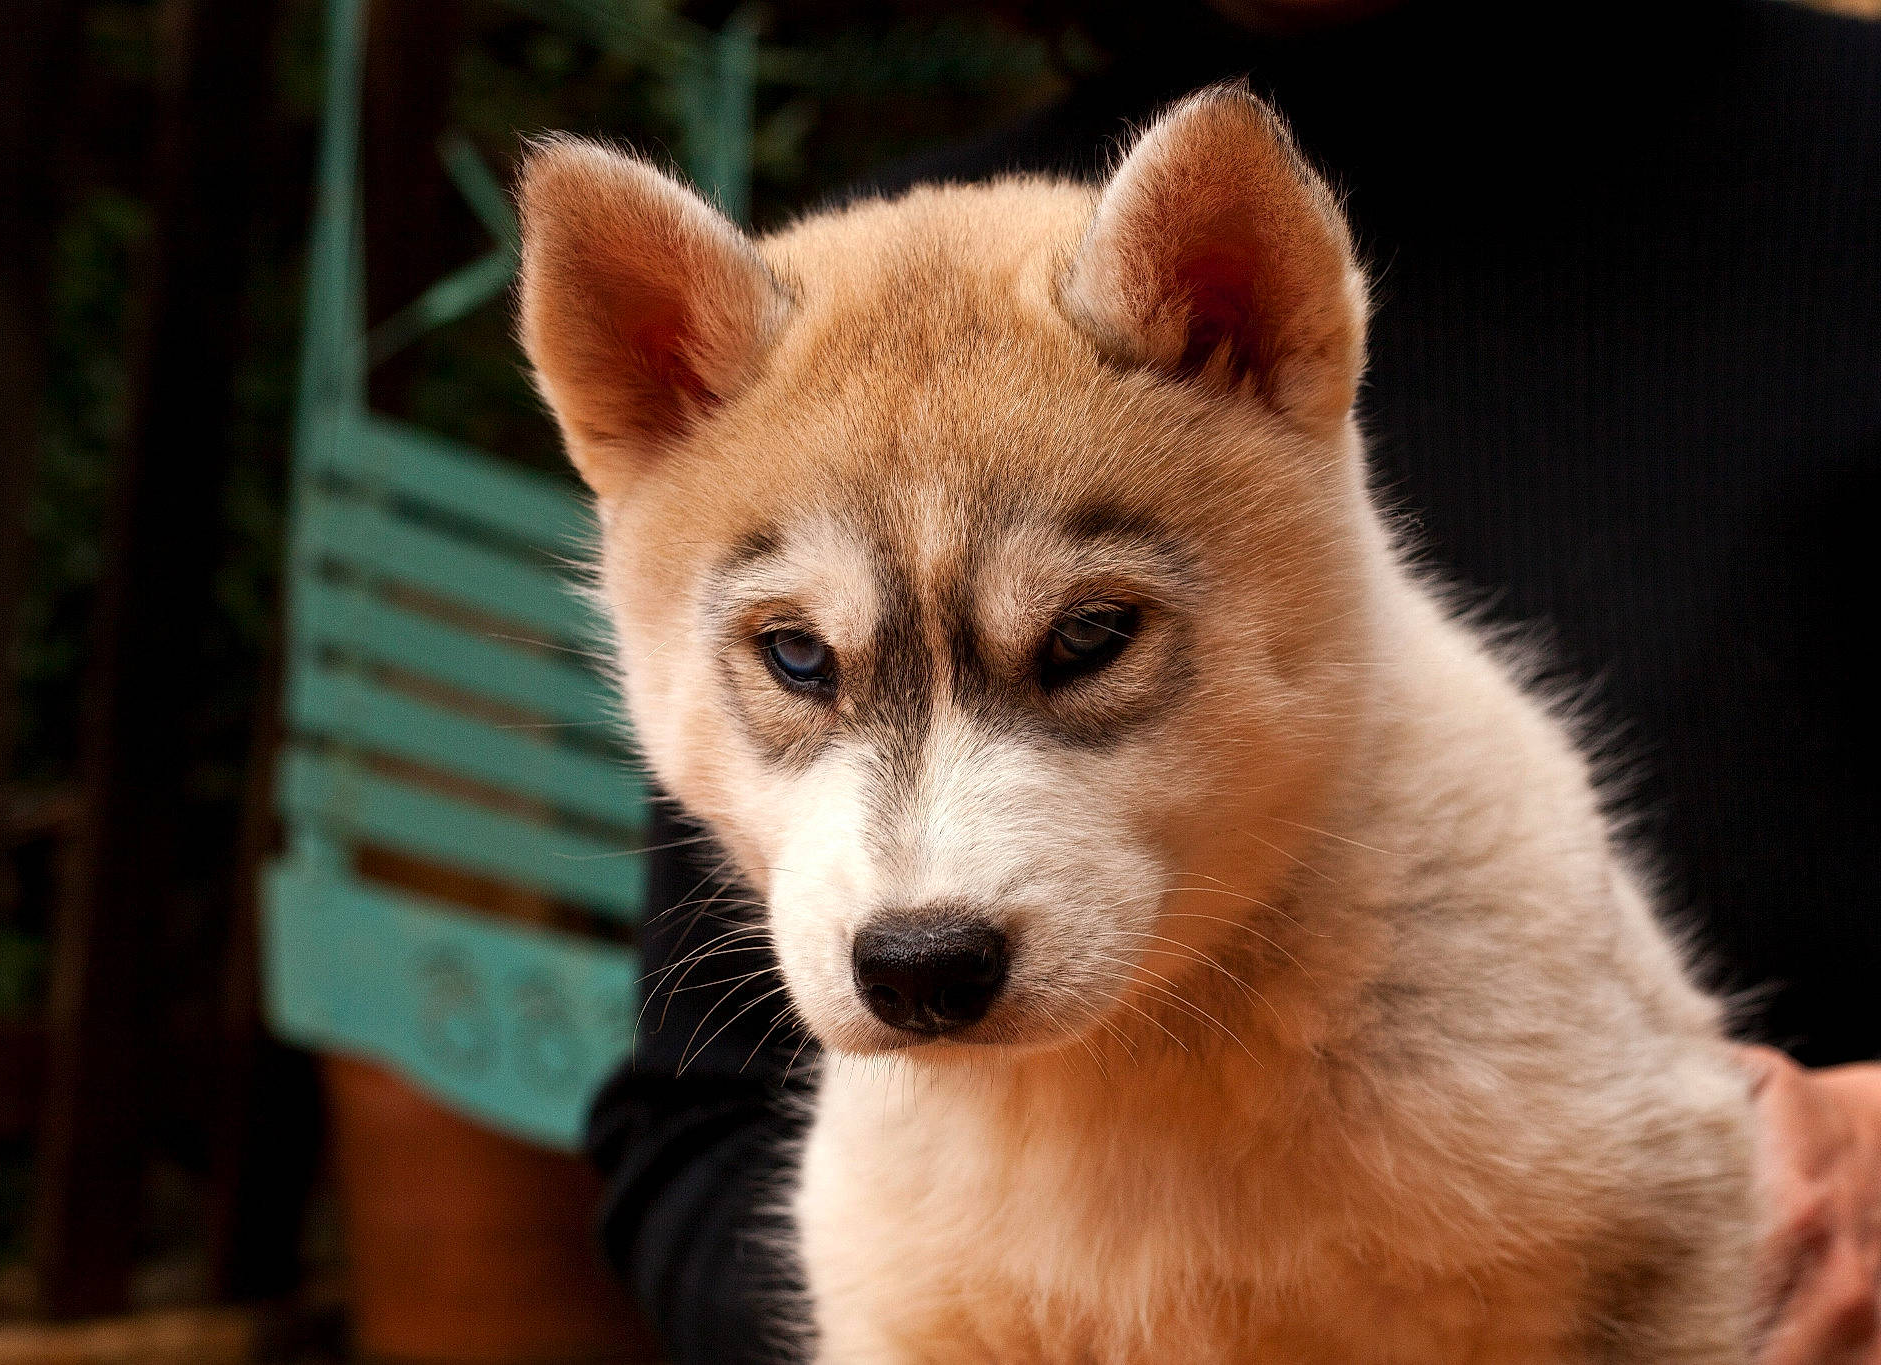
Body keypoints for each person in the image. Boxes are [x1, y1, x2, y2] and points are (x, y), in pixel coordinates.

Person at [583, 1, 1881, 1359]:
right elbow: (699, 1124)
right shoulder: (855, 293)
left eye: (1085, 643)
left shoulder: (1840, 166)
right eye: (799, 658)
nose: (926, 888)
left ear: (1250, 317)